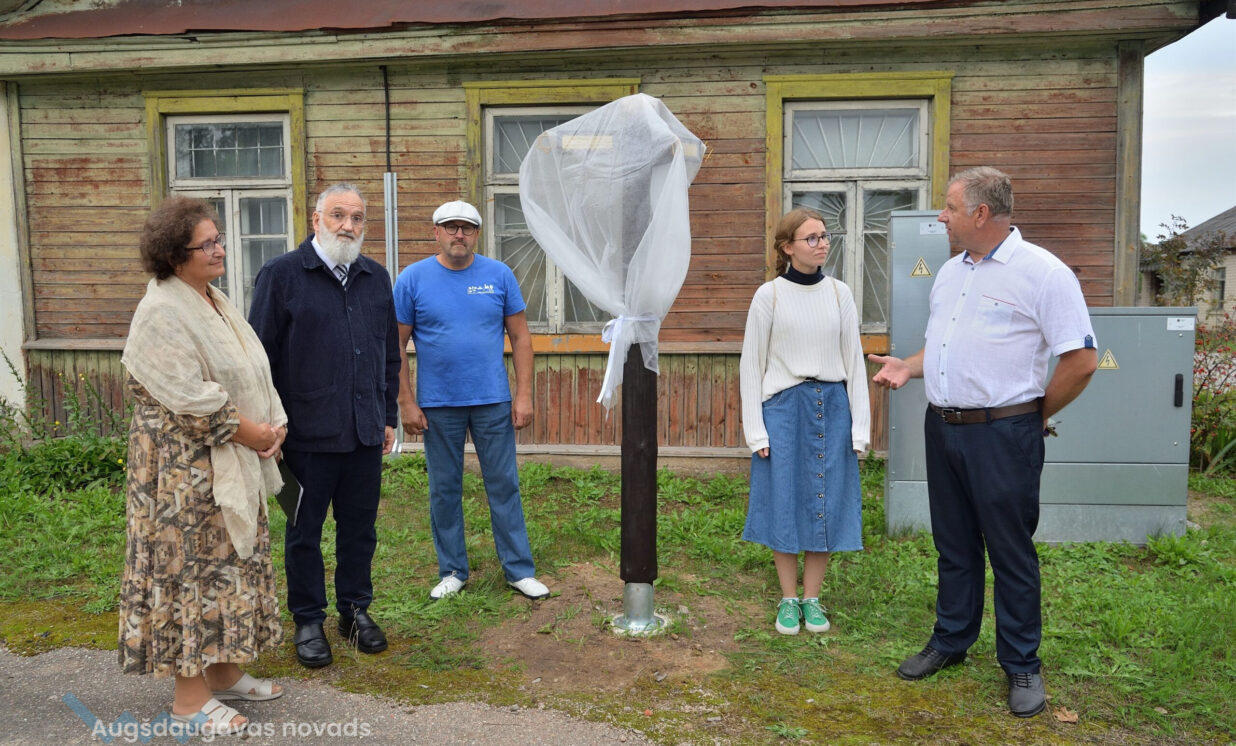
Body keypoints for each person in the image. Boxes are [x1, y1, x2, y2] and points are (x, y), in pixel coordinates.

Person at [869, 166, 1097, 718]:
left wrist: (1034, 415)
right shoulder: (951, 273)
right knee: (954, 544)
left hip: (1005, 433)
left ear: (980, 213)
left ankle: (1021, 663)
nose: (941, 216)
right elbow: (947, 346)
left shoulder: (1043, 273)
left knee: (1010, 551)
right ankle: (951, 640)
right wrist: (909, 366)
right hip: (943, 426)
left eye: (949, 207)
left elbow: (1082, 360)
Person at [120, 196, 287, 737]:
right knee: (188, 576)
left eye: (219, 239)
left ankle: (222, 672)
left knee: (228, 569)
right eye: (206, 244)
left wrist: (272, 425)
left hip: (226, 459)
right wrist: (253, 432)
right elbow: (190, 398)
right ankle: (189, 700)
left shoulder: (212, 299)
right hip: (181, 478)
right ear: (175, 255)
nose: (219, 250)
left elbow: (251, 371)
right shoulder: (161, 311)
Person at [248, 183, 400, 669]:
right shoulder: (281, 275)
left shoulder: (375, 277)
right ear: (316, 220)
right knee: (303, 531)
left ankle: (355, 610)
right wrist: (270, 427)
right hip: (303, 437)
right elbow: (260, 359)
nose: (348, 226)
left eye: (357, 218)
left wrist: (388, 416)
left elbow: (388, 353)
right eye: (338, 215)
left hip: (363, 431)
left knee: (359, 530)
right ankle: (308, 619)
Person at [393, 200, 549, 601]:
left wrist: (523, 395)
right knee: (444, 488)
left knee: (504, 484)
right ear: (436, 232)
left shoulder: (499, 275)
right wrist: (406, 402)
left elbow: (521, 337)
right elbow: (395, 345)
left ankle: (519, 570)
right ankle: (452, 571)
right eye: (450, 227)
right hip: (438, 404)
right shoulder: (412, 279)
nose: (458, 234)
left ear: (477, 234)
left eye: (466, 227)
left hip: (492, 400)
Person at [739, 207, 870, 636]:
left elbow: (854, 361)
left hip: (833, 407)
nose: (822, 244)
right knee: (784, 499)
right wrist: (755, 431)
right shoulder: (769, 296)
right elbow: (751, 364)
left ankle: (812, 598)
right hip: (783, 409)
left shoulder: (839, 294)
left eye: (825, 236)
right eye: (811, 238)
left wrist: (859, 430)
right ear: (787, 247)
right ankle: (788, 598)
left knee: (824, 500)